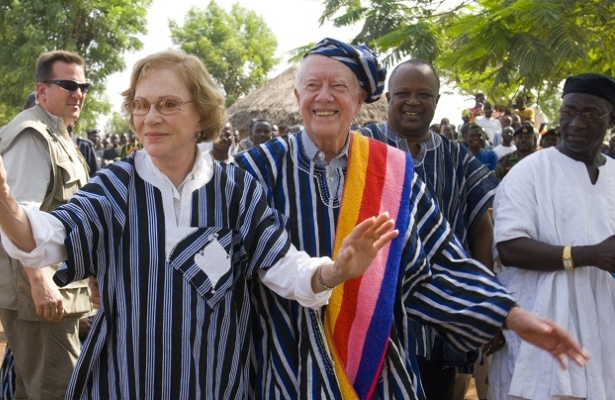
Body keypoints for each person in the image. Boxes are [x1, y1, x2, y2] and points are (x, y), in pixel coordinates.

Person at [0, 49, 402, 399]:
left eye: (167, 104)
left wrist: (336, 271)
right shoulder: (116, 185)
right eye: (140, 105)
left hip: (218, 386)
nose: (149, 118)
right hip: (122, 385)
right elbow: (44, 241)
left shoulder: (235, 190)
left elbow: (288, 271)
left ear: (201, 113)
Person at [234, 38, 588, 399]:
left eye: (338, 86)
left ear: (359, 100)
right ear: (297, 97)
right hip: (285, 368)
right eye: (312, 86)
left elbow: (437, 264)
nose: (323, 96)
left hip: (378, 373)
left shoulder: (391, 171)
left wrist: (510, 315)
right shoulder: (254, 170)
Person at [364, 58, 499, 399]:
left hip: (439, 322)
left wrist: (480, 300)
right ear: (389, 98)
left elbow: (483, 228)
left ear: (436, 101)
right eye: (403, 93)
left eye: (424, 94)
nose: (413, 101)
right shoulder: (361, 147)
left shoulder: (458, 158)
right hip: (371, 314)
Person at [489, 72, 615, 400]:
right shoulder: (528, 173)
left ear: (610, 118)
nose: (576, 123)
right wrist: (588, 255)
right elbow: (510, 248)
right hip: (542, 330)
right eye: (569, 112)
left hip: (604, 327)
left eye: (589, 114)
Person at [0, 50, 93, 400]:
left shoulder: (57, 131)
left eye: (83, 86)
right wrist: (40, 280)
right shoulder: (33, 134)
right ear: (42, 90)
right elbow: (16, 213)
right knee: (56, 389)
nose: (78, 93)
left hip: (58, 290)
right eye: (68, 85)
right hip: (41, 294)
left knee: (38, 388)